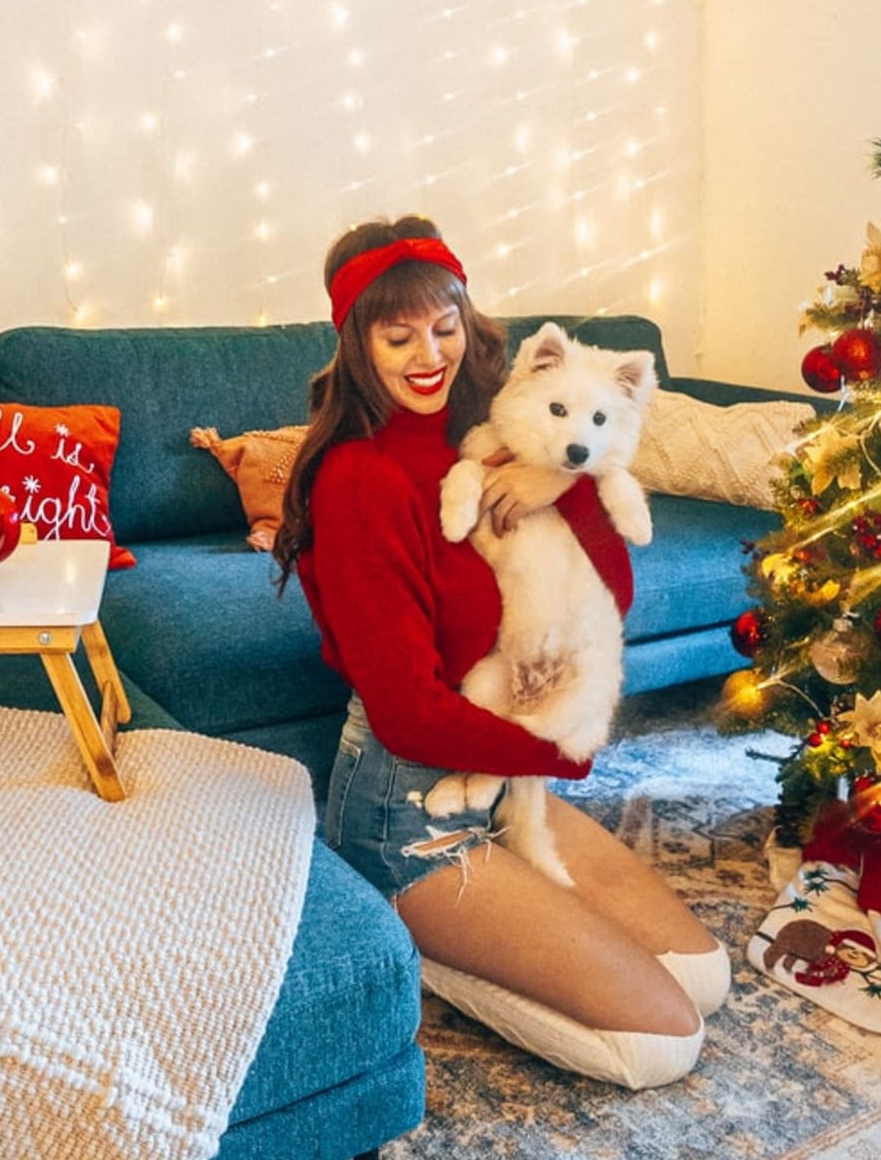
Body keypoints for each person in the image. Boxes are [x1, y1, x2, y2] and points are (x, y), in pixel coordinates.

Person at [273, 215, 730, 1089]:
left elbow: (608, 599)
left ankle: (496, 924)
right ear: (356, 341)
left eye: (444, 328)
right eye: (397, 334)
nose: (427, 355)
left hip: (501, 777)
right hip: (407, 808)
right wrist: (558, 751)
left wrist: (563, 486)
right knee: (665, 1043)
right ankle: (422, 944)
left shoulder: (486, 435)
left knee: (704, 979)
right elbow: (407, 708)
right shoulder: (359, 479)